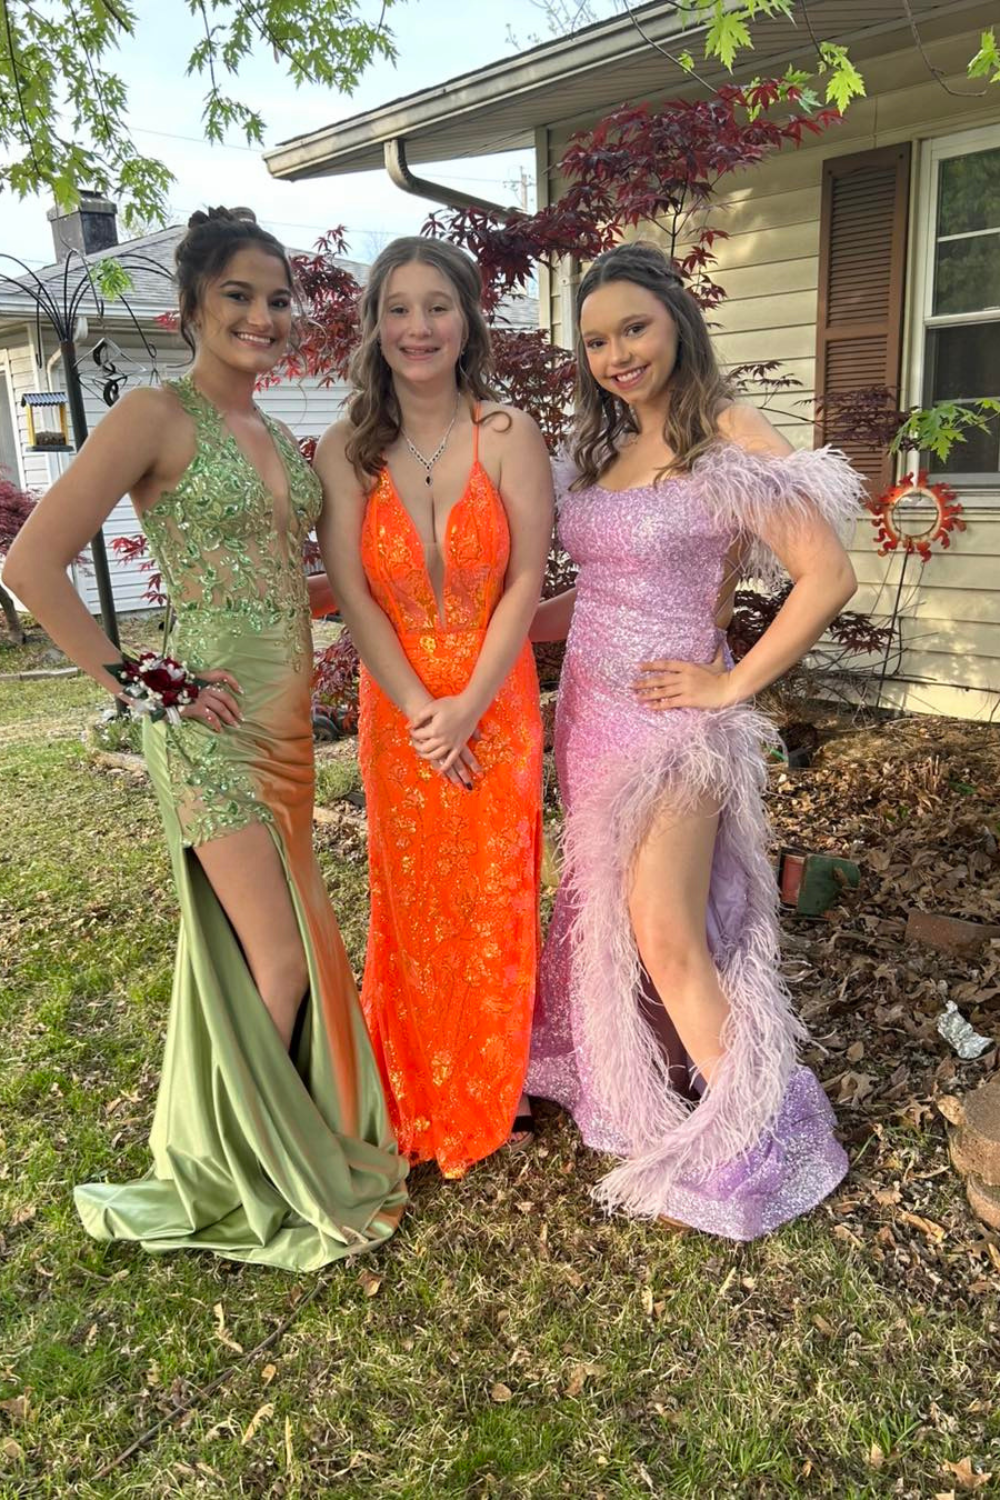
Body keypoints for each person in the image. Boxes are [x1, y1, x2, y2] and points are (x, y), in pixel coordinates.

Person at [3, 207, 407, 1270]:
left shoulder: (279, 436)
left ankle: (262, 1137)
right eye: (239, 295)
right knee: (279, 961)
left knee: (285, 948)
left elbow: (314, 581)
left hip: (285, 730)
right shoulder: (154, 413)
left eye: (277, 299)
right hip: (211, 731)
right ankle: (236, 1174)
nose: (263, 316)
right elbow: (32, 567)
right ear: (189, 306)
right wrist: (149, 683)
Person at [528, 241, 857, 1239]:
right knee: (615, 922)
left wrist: (731, 681)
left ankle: (766, 1137)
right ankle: (653, 1081)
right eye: (594, 339)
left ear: (677, 322)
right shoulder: (596, 452)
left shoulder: (724, 432)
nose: (616, 353)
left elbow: (826, 573)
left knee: (667, 931)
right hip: (590, 718)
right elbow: (609, 585)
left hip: (679, 728)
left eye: (633, 327)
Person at [314, 237, 552, 1178]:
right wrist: (424, 711)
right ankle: (414, 1083)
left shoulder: (508, 433)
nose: (419, 327)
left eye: (439, 306)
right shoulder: (345, 448)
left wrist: (468, 708)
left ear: (467, 321)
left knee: (495, 898)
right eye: (400, 308)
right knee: (414, 902)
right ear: (375, 324)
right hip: (398, 703)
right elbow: (350, 593)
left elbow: (528, 577)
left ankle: (499, 1080)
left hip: (496, 701)